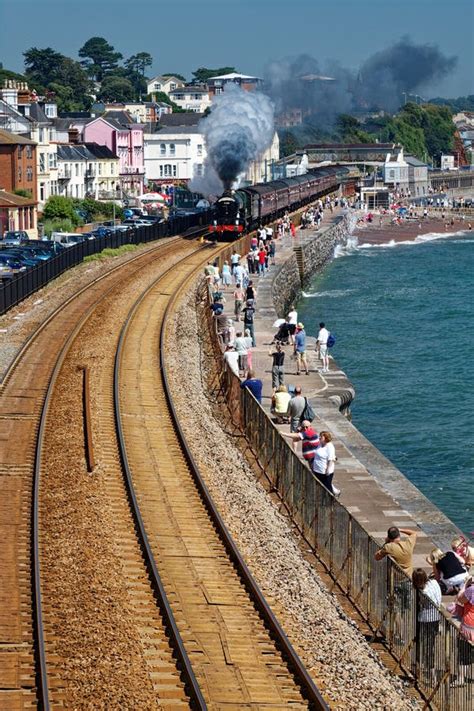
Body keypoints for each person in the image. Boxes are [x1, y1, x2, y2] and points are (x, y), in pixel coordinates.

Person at [412, 569, 442, 682]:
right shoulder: (434, 583)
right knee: (431, 646)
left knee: (424, 646)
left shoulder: (423, 593)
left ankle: (423, 672)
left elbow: (423, 605)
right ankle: (432, 674)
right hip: (436, 617)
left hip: (425, 619)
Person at [452, 577, 474, 686]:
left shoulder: (471, 590)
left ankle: (461, 679)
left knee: (463, 654)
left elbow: (460, 598)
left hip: (469, 627)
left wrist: (465, 584)